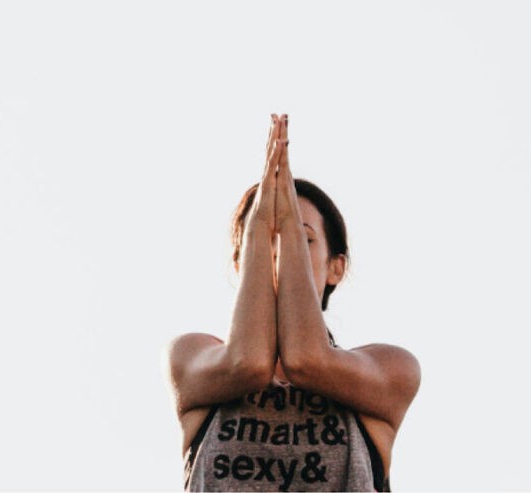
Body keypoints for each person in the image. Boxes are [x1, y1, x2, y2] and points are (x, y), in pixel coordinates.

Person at [166, 114, 421, 491]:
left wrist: (280, 222)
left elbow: (307, 360)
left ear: (336, 267)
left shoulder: (389, 368)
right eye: (265, 240)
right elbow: (247, 363)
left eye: (301, 239)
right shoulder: (191, 357)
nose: (279, 251)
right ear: (240, 262)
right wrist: (259, 223)